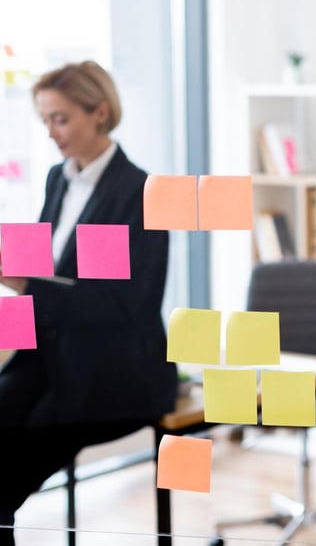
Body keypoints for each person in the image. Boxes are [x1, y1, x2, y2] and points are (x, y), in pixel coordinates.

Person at [0, 60, 177, 544]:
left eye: (60, 119)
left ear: (99, 112)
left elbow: (121, 306)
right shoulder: (59, 179)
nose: (51, 133)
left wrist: (25, 284)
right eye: (45, 121)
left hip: (112, 372)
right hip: (53, 361)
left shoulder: (140, 193)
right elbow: (48, 272)